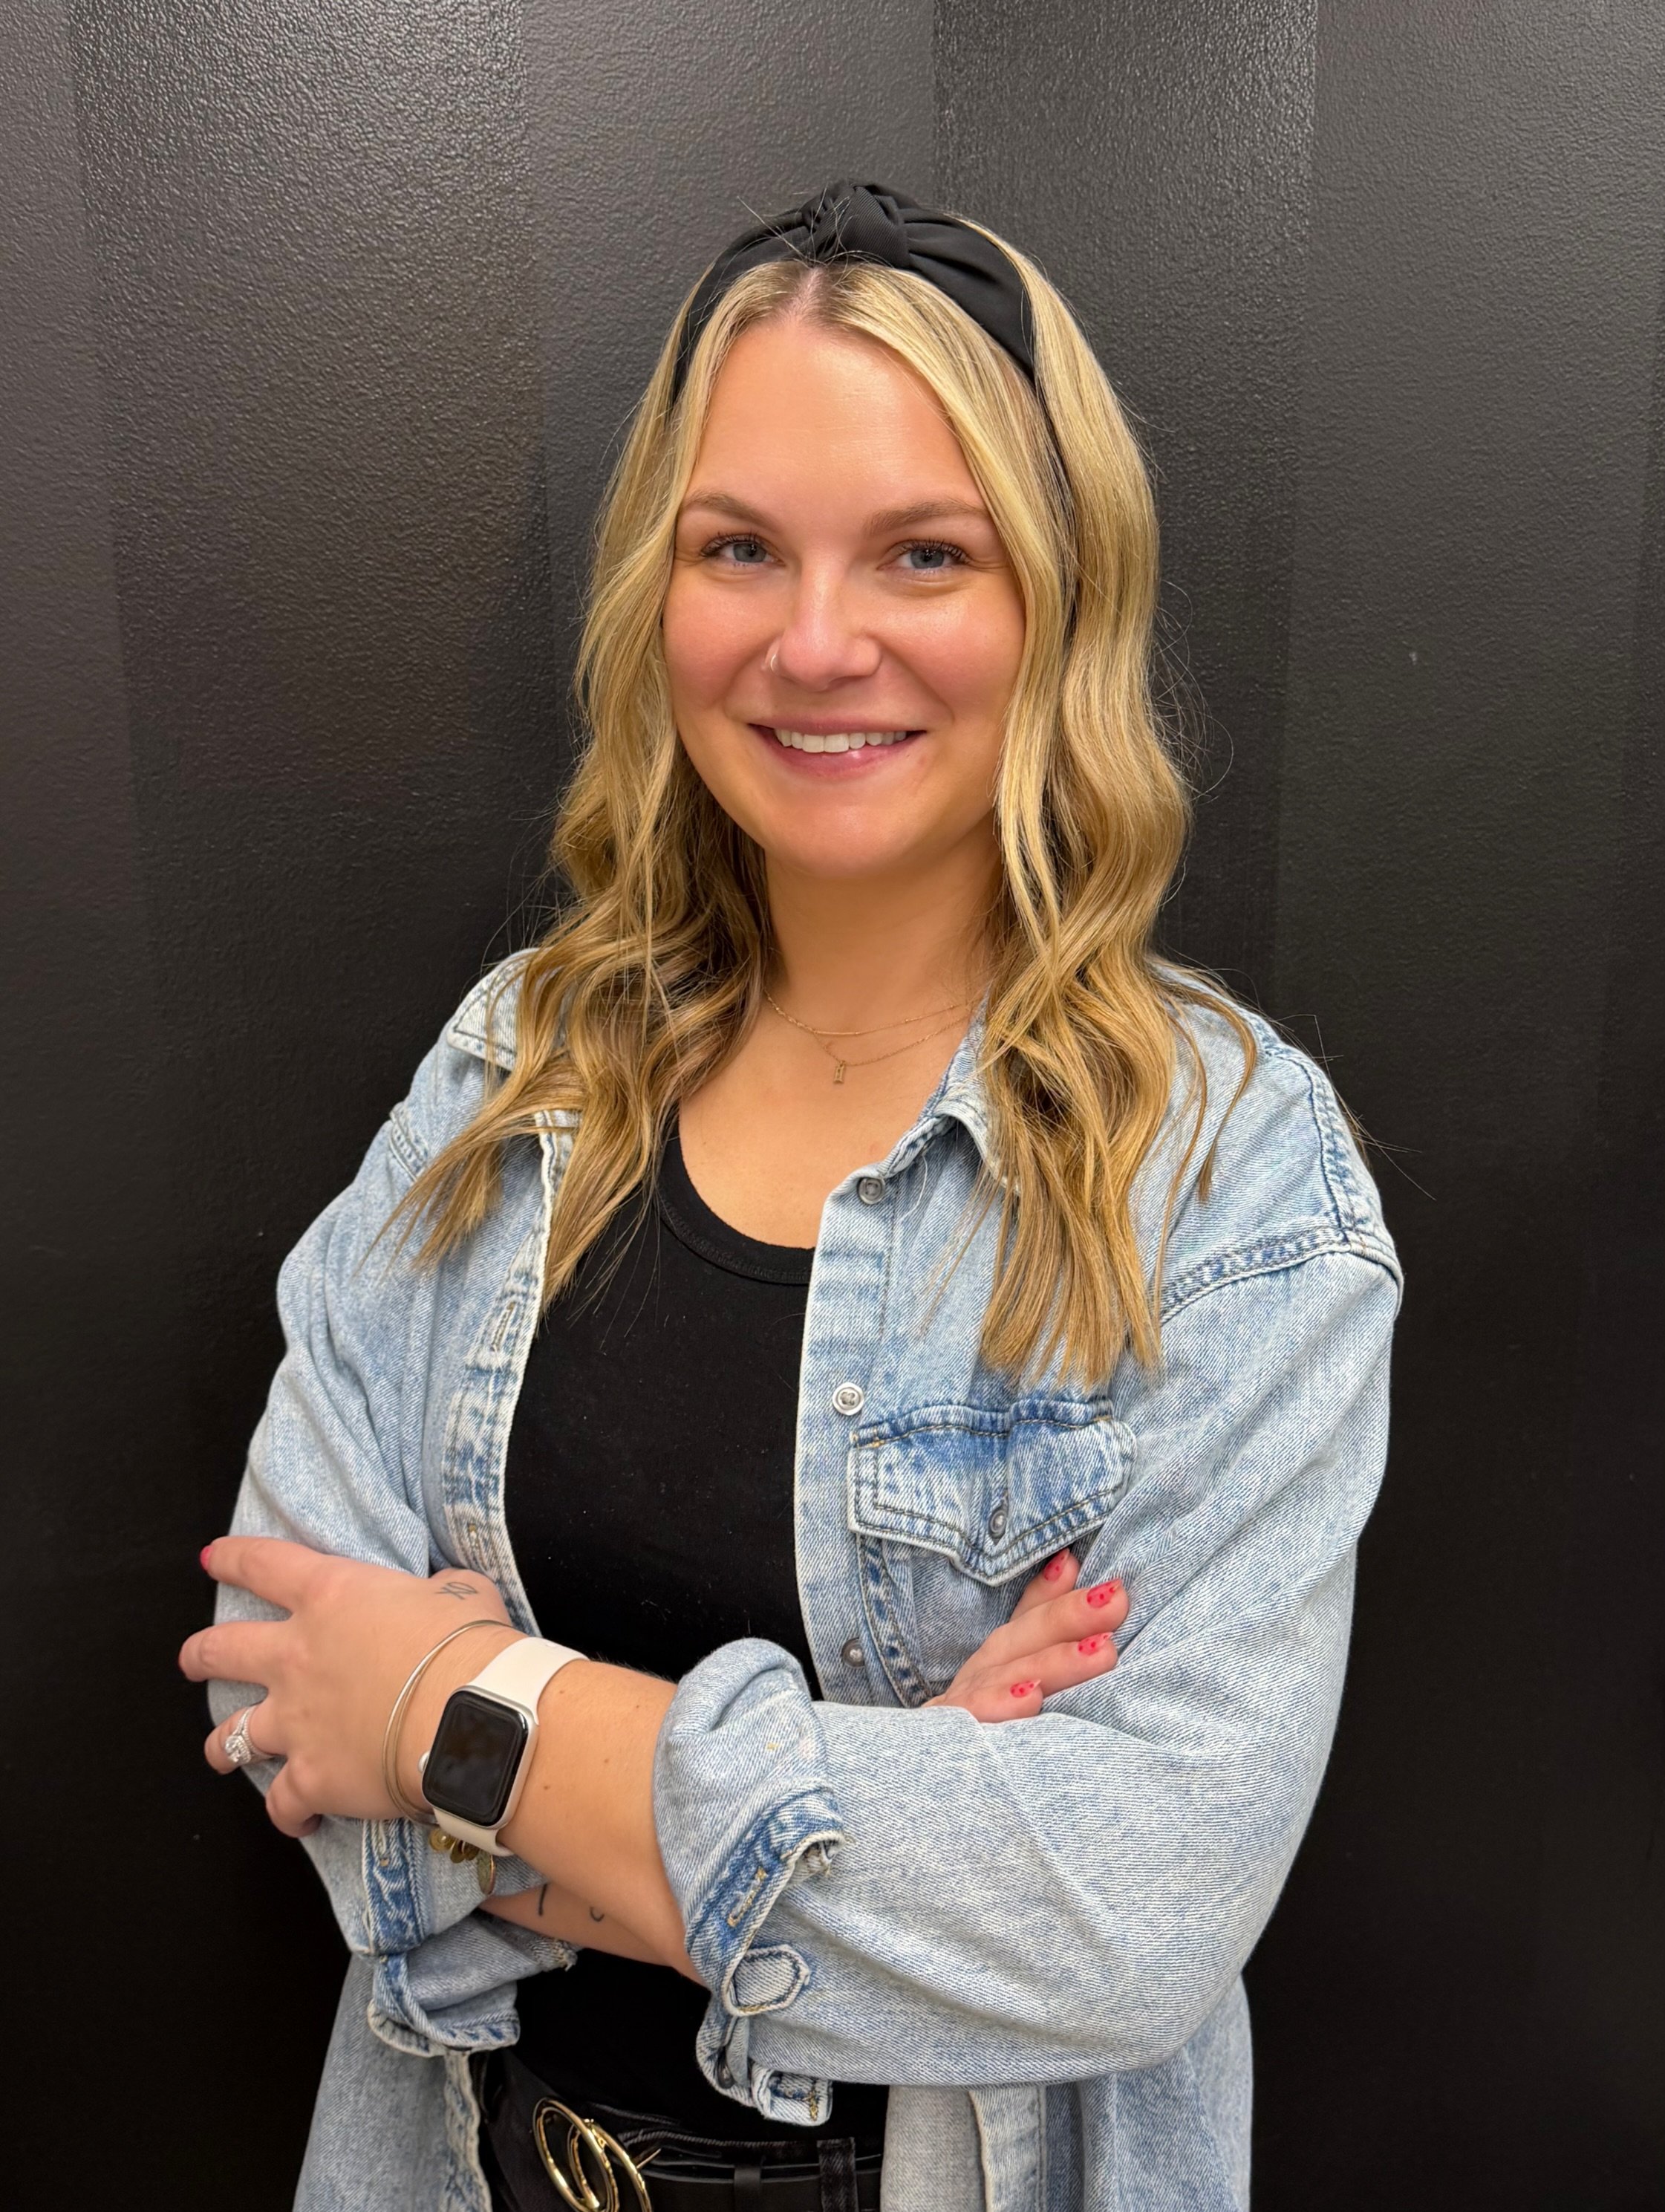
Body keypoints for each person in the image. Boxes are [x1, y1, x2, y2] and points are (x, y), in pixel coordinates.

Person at [183, 182, 1399, 2212]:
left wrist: (455, 1710)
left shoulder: (1223, 1166)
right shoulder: (514, 1069)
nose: (813, 640)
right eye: (737, 548)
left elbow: (1123, 1910)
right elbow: (278, 1668)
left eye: (921, 554)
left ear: (1057, 597)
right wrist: (879, 1787)